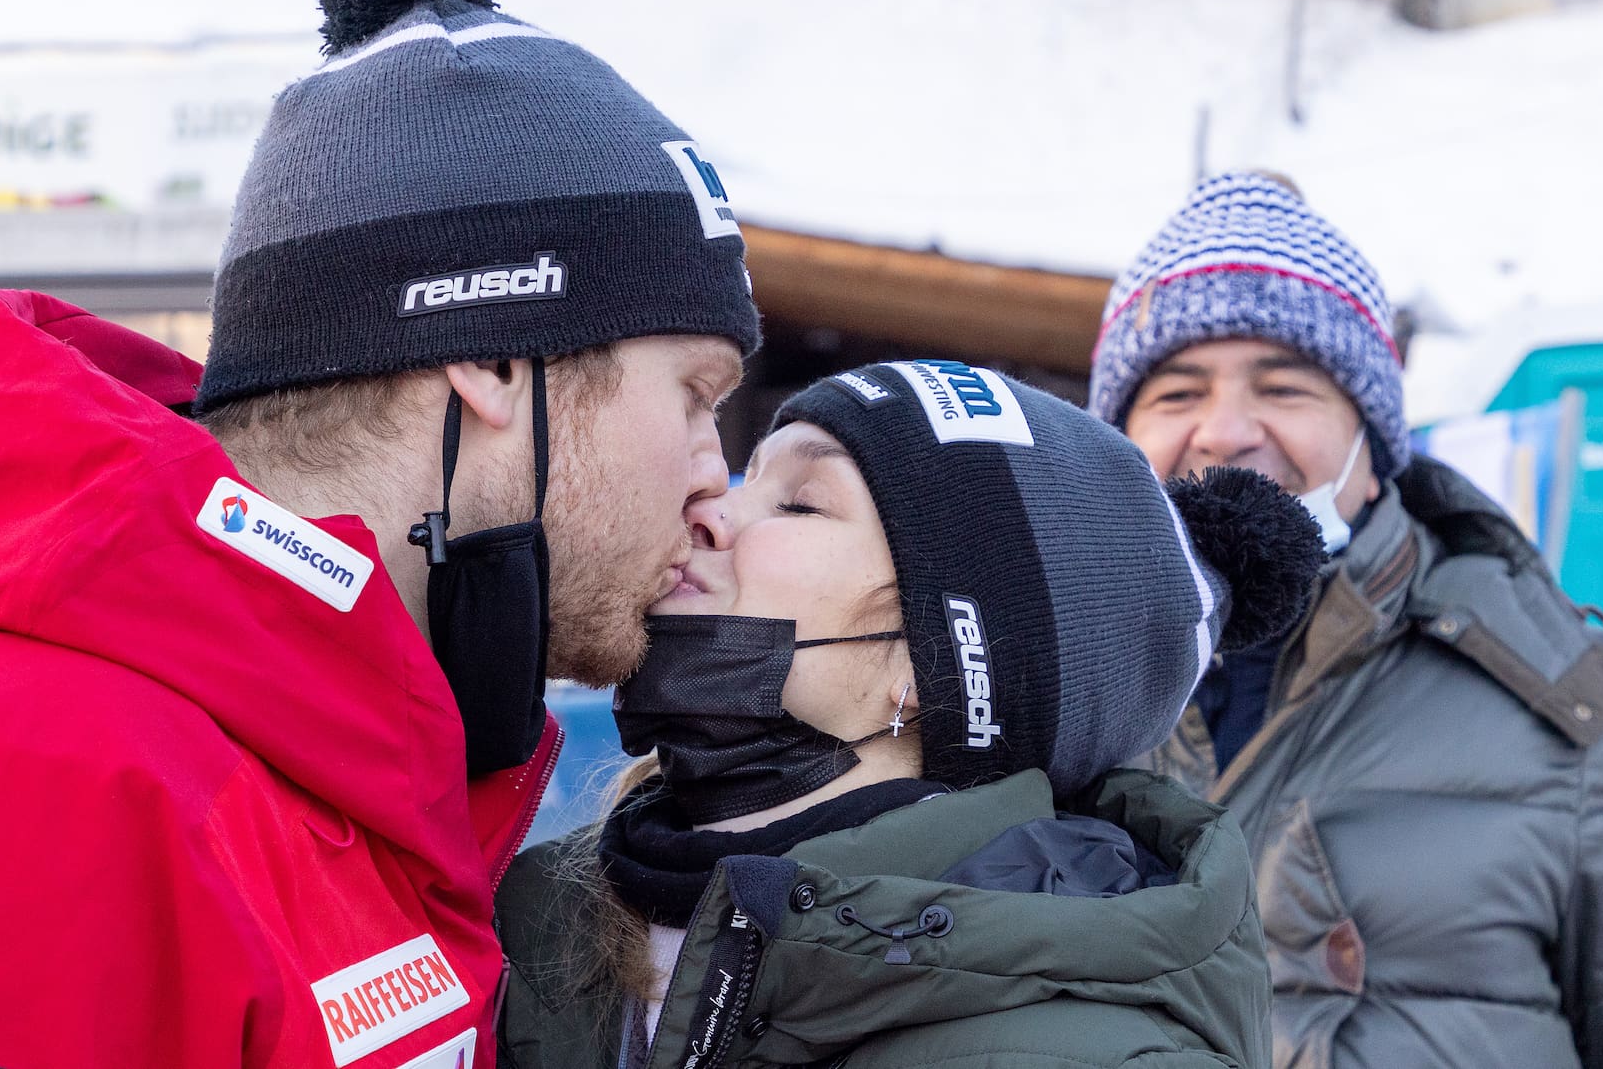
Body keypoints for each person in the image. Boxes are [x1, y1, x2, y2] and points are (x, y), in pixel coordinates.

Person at [0, 0, 759, 1066]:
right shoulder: (25, 782)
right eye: (695, 394)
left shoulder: (344, 748)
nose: (717, 477)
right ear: (495, 361)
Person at [496, 359, 1325, 1069]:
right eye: (752, 474)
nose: (709, 507)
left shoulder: (1087, 1050)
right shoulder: (524, 926)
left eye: (799, 504)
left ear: (936, 665)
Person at [1090, 170, 1603, 1068]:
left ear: (1375, 444)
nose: (1227, 432)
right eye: (1177, 394)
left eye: (1285, 388)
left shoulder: (1589, 718)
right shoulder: (1032, 703)